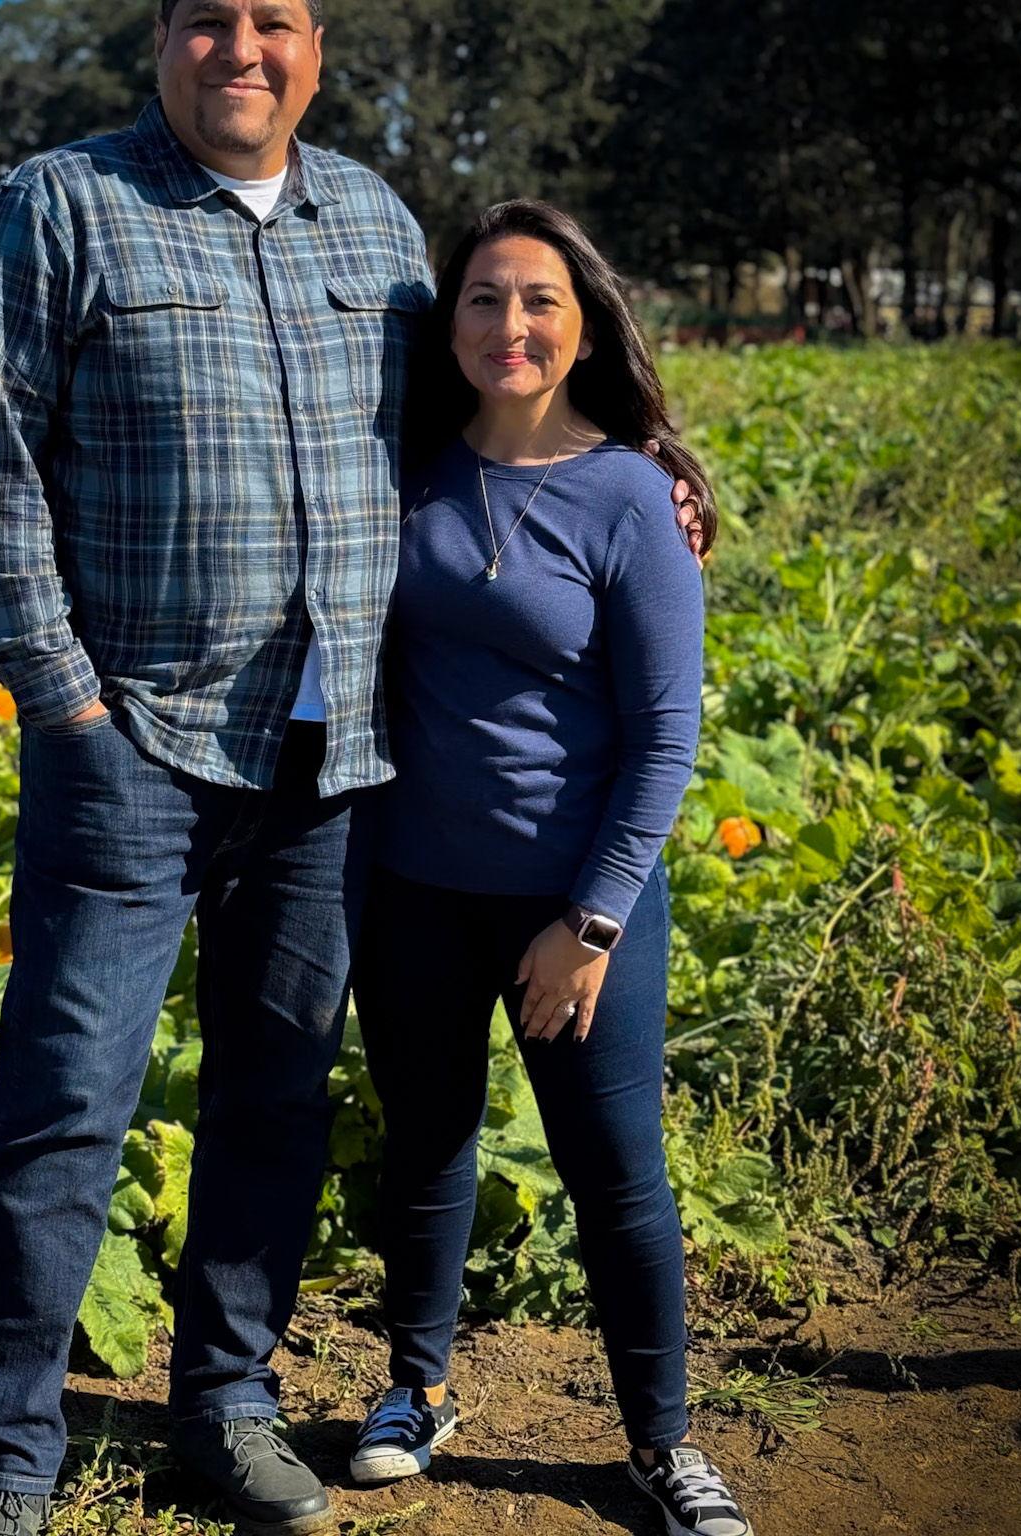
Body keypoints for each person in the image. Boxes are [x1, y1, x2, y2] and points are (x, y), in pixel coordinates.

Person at [0, 5, 704, 1533]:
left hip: (336, 760)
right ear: (164, 37)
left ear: (316, 46)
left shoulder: (374, 218)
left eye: (274, 18)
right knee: (66, 1102)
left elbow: (476, 419)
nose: (243, 47)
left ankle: (225, 1405)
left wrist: (638, 474)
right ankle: (9, 1461)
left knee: (277, 1095)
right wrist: (66, 707)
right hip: (131, 742)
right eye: (208, 18)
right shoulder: (58, 206)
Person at [347, 199, 753, 1536]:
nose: (509, 325)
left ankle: (663, 1445)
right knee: (426, 1146)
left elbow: (666, 735)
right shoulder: (405, 465)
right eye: (483, 298)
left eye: (539, 302)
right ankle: (416, 1386)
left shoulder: (631, 495)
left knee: (615, 1171)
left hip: (574, 900)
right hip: (413, 885)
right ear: (447, 320)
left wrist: (591, 921)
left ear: (585, 328)